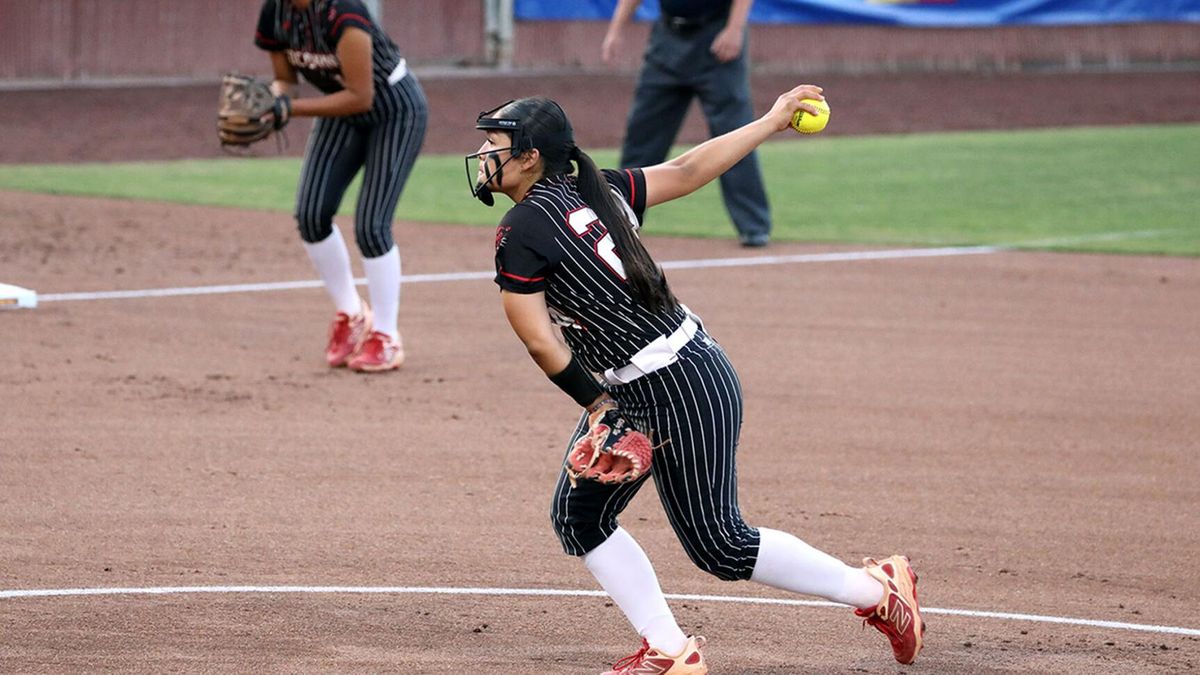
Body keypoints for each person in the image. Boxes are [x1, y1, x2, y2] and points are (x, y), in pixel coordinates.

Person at [466, 86, 924, 674]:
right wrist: (770, 120)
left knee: (720, 544)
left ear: (530, 157)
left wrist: (599, 407)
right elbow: (686, 171)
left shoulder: (522, 228)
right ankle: (671, 652)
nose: (484, 155)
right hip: (658, 378)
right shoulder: (592, 187)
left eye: (494, 144)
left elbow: (538, 339)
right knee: (580, 516)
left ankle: (879, 592)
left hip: (676, 387)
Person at [254, 0, 427, 371]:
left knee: (371, 225)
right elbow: (286, 80)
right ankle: (351, 314)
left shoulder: (344, 12)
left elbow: (360, 95)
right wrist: (276, 102)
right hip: (339, 111)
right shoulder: (276, 12)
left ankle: (386, 335)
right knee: (311, 214)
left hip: (393, 110)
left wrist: (291, 110)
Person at [602, 0, 773, 248]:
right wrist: (615, 29)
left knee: (735, 135)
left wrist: (734, 29)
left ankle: (754, 227)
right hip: (667, 39)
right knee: (642, 137)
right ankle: (618, 222)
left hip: (716, 38)